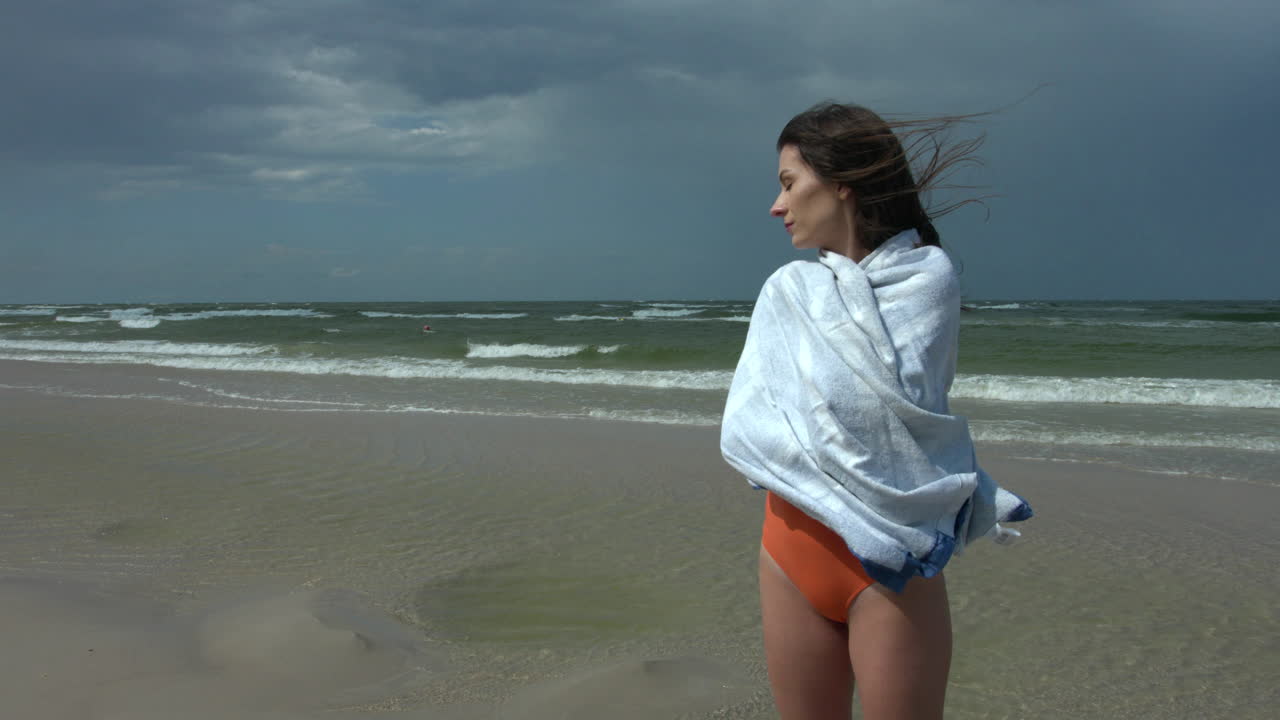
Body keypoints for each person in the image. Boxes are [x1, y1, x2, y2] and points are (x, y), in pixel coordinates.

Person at [720, 102, 1031, 720]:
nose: (776, 206)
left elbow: (881, 407)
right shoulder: (788, 290)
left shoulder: (927, 277)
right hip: (788, 547)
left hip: (890, 554)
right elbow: (755, 418)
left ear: (842, 182)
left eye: (788, 183)